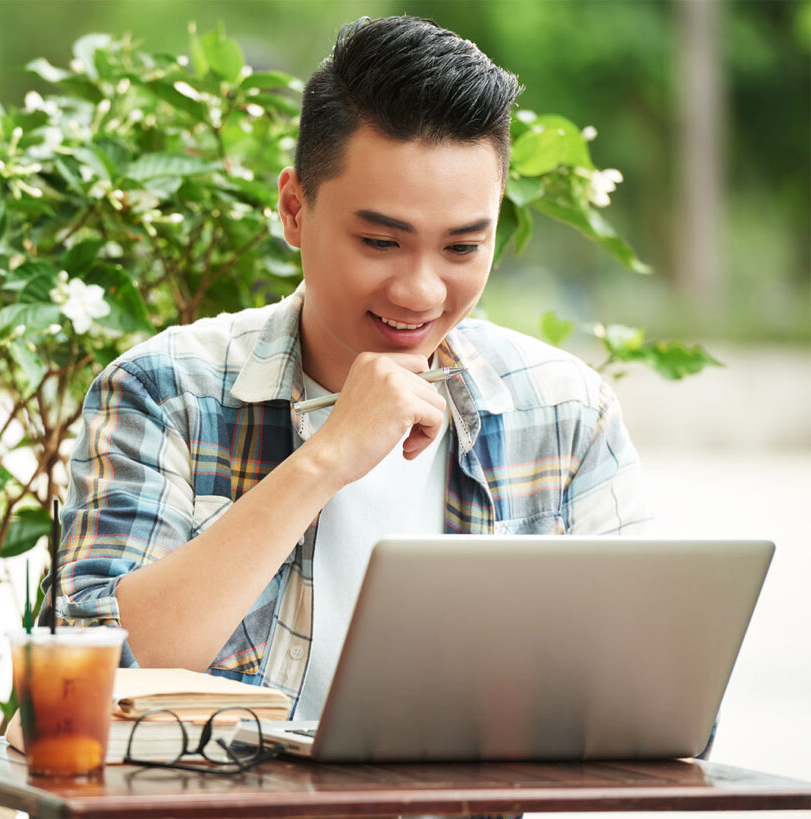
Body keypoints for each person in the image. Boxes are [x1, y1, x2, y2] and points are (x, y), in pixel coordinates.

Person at [52, 15, 650, 718]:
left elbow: (645, 698)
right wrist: (326, 458)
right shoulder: (163, 391)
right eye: (379, 241)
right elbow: (89, 679)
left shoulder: (564, 411)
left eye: (461, 249)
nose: (421, 291)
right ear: (294, 210)